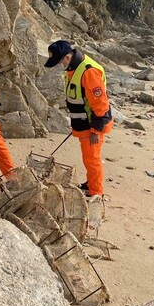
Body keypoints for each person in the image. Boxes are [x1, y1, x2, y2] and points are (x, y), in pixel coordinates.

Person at [44, 40, 113, 198]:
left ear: (67, 57)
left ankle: (96, 192)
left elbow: (100, 104)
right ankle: (91, 183)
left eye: (60, 61)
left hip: (93, 125)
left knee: (92, 159)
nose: (60, 65)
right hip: (84, 123)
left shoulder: (89, 72)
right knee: (88, 158)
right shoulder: (73, 68)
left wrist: (95, 130)